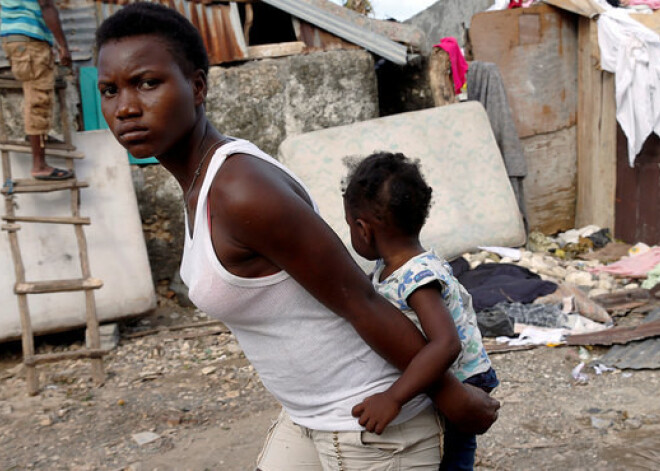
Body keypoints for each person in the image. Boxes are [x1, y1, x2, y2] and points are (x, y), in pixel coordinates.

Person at [94, 4, 499, 470]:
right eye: (110, 90)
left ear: (198, 86)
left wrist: (454, 397)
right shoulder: (201, 185)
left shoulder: (242, 191)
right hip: (309, 417)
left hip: (372, 425)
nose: (125, 107)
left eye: (147, 83)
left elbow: (361, 301)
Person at [343, 152, 500, 471]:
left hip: (464, 380)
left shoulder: (418, 277)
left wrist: (393, 398)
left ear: (363, 229)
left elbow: (446, 344)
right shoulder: (391, 267)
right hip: (441, 370)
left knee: (452, 455)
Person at [0, 0, 73, 180]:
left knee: (35, 92)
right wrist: (63, 45)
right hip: (29, 38)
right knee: (38, 97)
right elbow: (46, 5)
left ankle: (37, 138)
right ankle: (39, 165)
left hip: (16, 37)